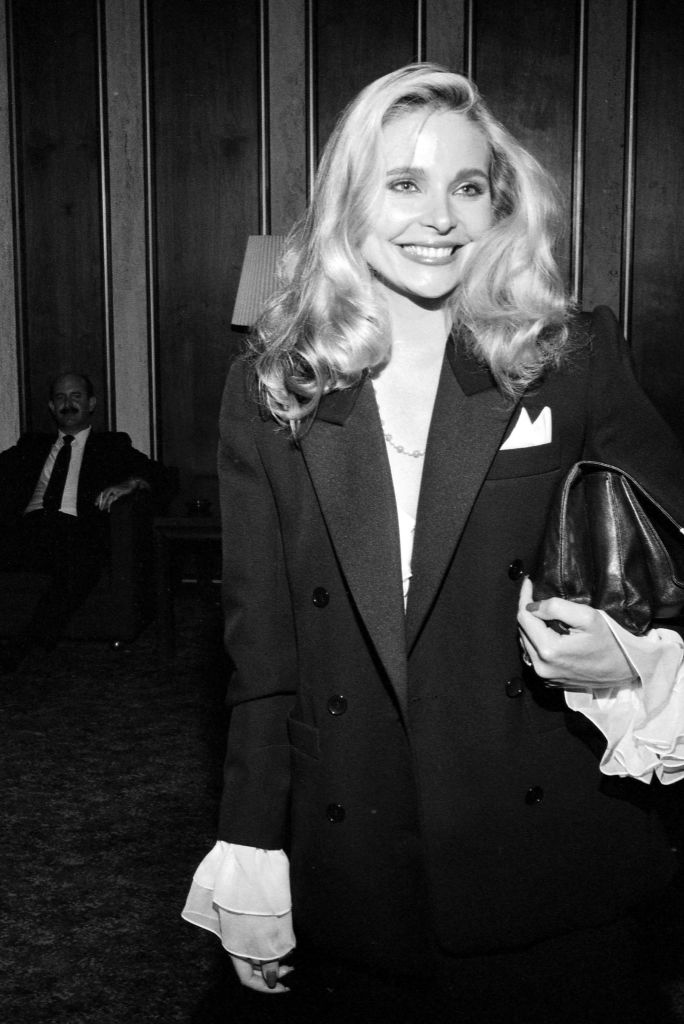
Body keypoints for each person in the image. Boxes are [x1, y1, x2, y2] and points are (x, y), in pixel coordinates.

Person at [183, 65, 684, 1022]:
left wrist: (638, 658)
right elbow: (264, 659)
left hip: (549, 852)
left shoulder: (569, 357)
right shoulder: (274, 389)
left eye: (467, 186)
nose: (440, 218)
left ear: (499, 204)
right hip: (356, 856)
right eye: (404, 184)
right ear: (348, 202)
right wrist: (251, 848)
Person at [0, 372, 158, 669]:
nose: (67, 404)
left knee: (84, 554)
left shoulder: (111, 446)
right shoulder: (31, 445)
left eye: (76, 396)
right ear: (51, 406)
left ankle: (26, 643)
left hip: (77, 531)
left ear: (91, 404)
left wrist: (132, 482)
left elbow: (162, 475)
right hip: (28, 530)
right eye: (60, 397)